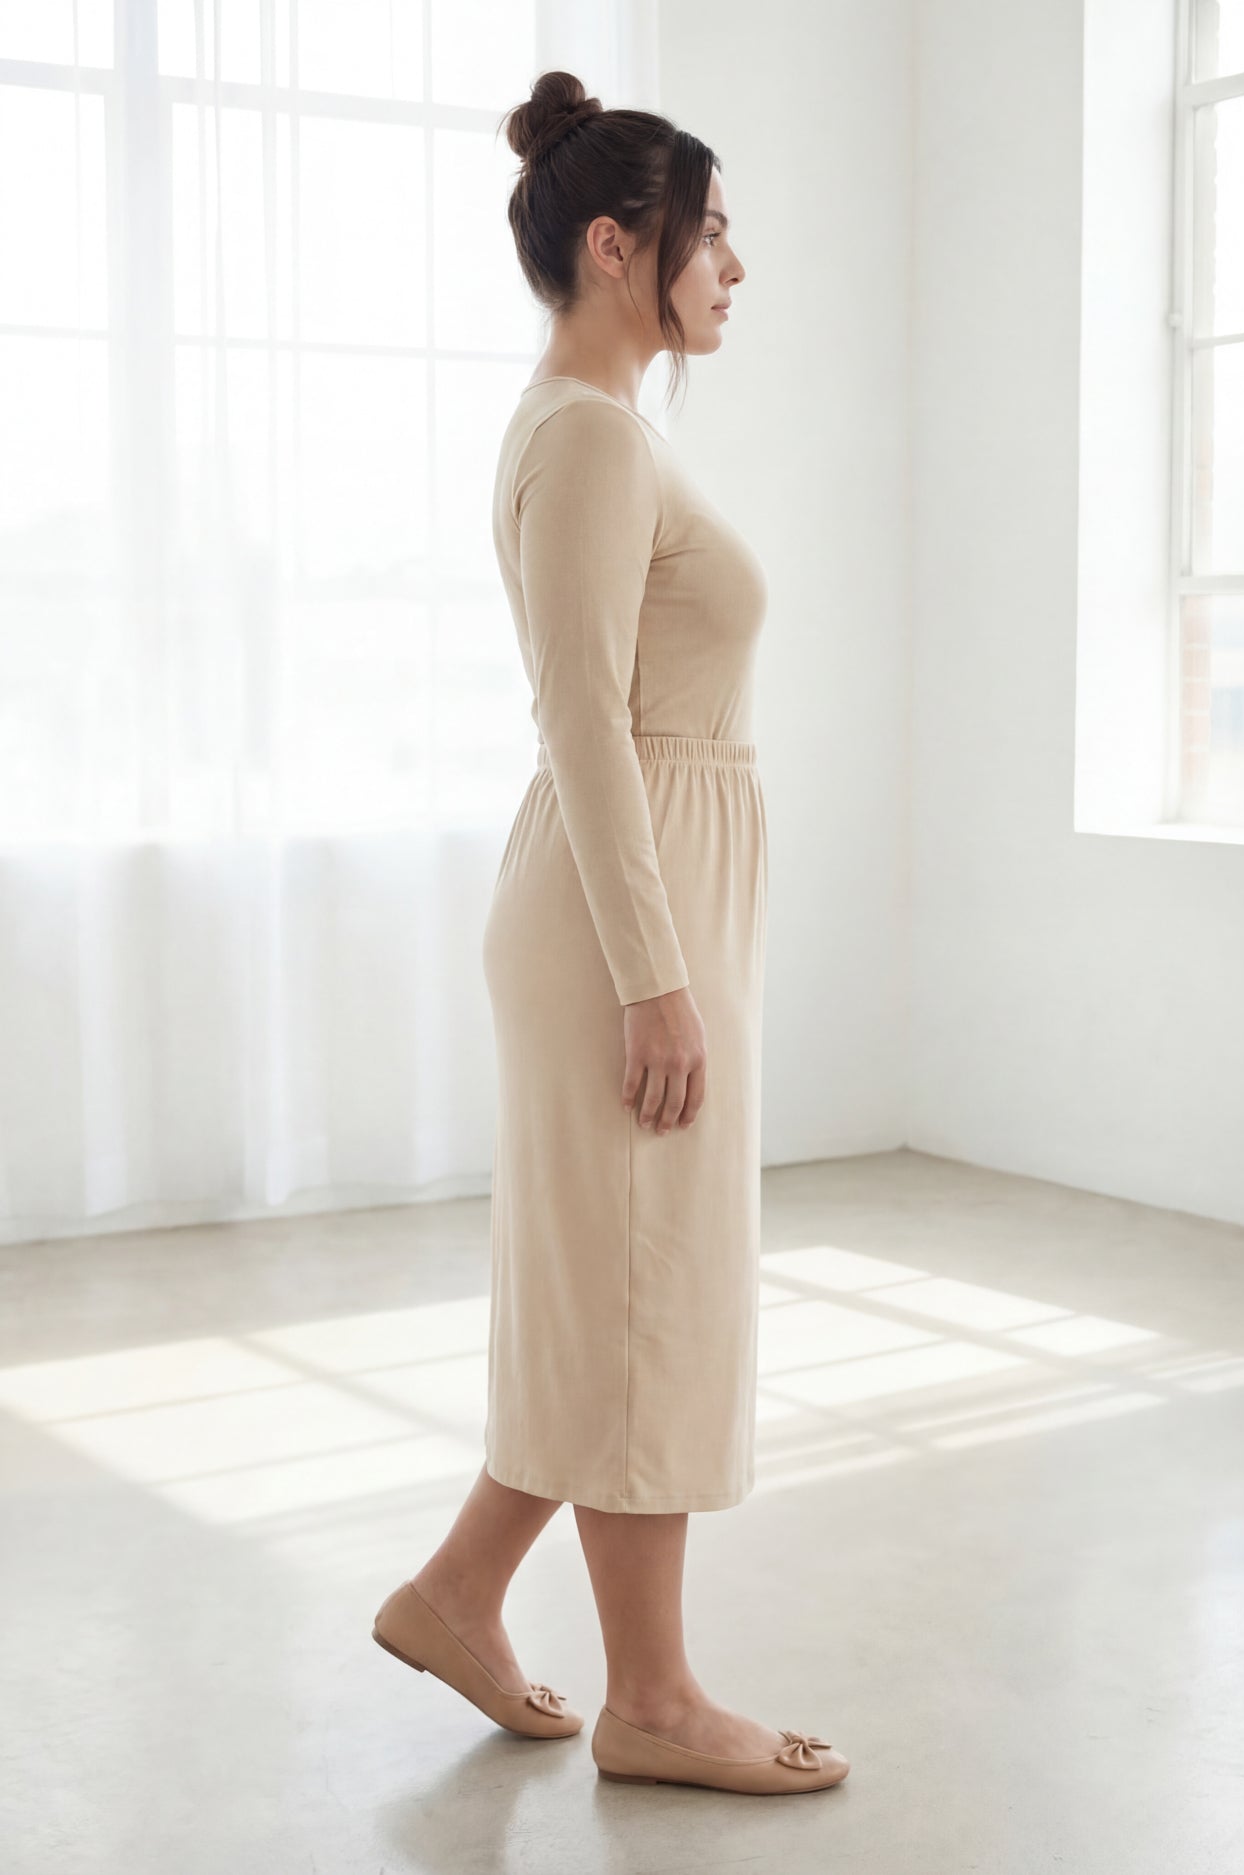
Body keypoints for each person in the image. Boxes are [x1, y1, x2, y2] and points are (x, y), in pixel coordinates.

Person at [372, 70, 849, 1798]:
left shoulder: (609, 427)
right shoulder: (583, 433)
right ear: (612, 242)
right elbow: (581, 711)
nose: (733, 263)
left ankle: (456, 1593)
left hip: (644, 882)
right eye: (708, 232)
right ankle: (651, 1699)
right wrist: (655, 977)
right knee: (646, 1291)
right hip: (618, 901)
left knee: (623, 1281)